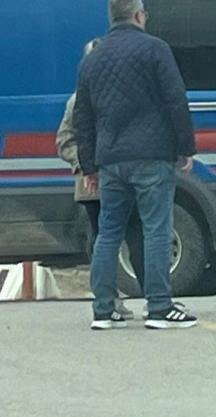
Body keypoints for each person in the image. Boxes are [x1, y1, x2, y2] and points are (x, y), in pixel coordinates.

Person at [73, 0, 197, 330]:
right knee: (156, 229)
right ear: (139, 15)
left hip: (111, 160)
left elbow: (82, 117)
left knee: (108, 232)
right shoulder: (155, 49)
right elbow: (175, 99)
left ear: (112, 17)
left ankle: (103, 310)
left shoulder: (92, 59)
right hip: (151, 155)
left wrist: (89, 166)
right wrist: (185, 147)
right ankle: (159, 307)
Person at [56, 43, 146, 312]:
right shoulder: (77, 101)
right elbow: (64, 140)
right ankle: (108, 299)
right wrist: (85, 166)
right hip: (92, 186)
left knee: (136, 237)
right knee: (104, 240)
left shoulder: (121, 95)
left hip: (123, 179)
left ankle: (150, 297)